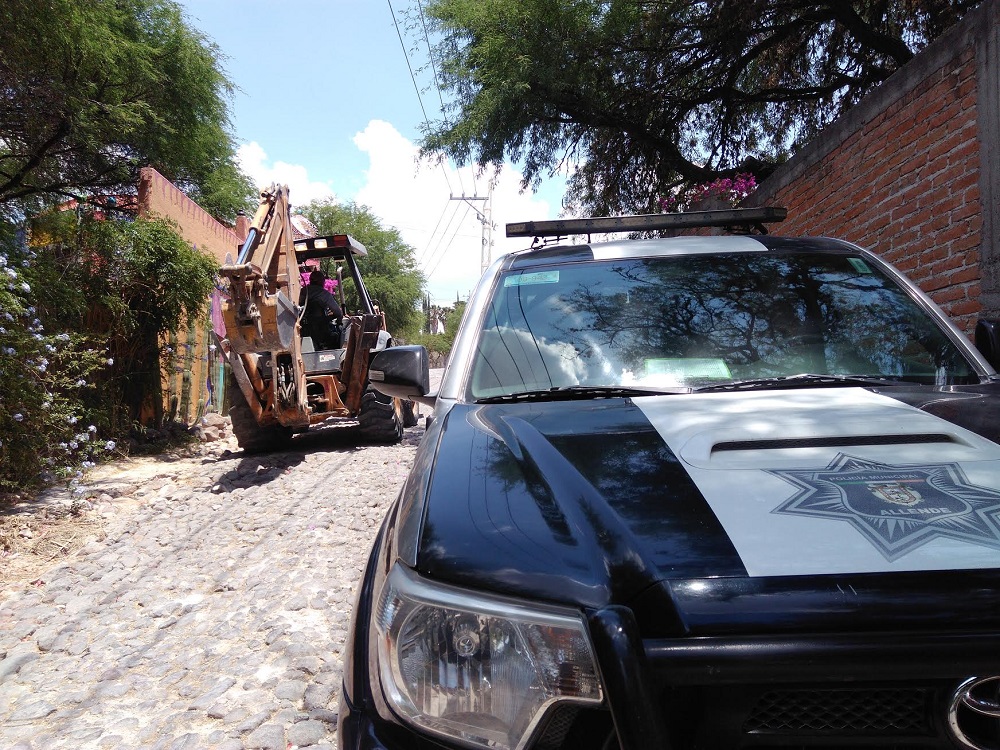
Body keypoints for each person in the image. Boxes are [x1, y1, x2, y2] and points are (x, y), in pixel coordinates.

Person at [299, 270, 344, 349]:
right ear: (322, 282)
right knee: (336, 336)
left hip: (303, 330)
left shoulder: (302, 292)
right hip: (322, 332)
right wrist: (339, 322)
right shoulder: (324, 294)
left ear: (310, 280)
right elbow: (338, 313)